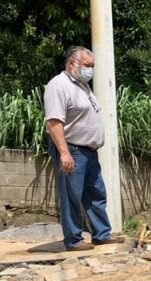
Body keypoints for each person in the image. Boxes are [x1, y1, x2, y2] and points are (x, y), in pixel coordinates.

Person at [43, 46, 123, 251]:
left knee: (96, 193)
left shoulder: (82, 86)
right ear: (72, 64)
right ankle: (73, 240)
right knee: (71, 196)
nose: (91, 70)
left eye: (92, 66)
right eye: (88, 66)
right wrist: (64, 152)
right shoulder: (58, 86)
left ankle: (101, 234)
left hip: (89, 151)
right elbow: (54, 121)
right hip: (72, 149)